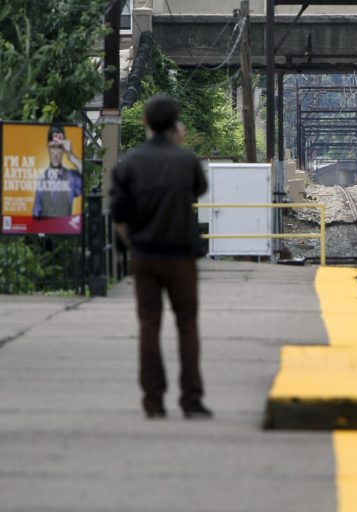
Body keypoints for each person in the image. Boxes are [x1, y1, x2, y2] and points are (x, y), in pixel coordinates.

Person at [109, 95, 212, 419]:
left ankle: (153, 402)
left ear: (146, 123)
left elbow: (120, 214)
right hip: (181, 256)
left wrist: (132, 247)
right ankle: (191, 400)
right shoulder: (187, 161)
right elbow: (198, 189)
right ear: (175, 126)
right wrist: (178, 146)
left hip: (145, 255)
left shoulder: (129, 163)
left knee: (149, 325)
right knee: (187, 325)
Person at [32, 125, 83, 219]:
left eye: (59, 147)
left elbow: (85, 176)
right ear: (47, 148)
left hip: (66, 231)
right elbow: (36, 213)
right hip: (45, 231)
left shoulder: (71, 176)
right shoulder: (41, 178)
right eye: (52, 147)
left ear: (63, 149)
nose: (55, 153)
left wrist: (71, 155)